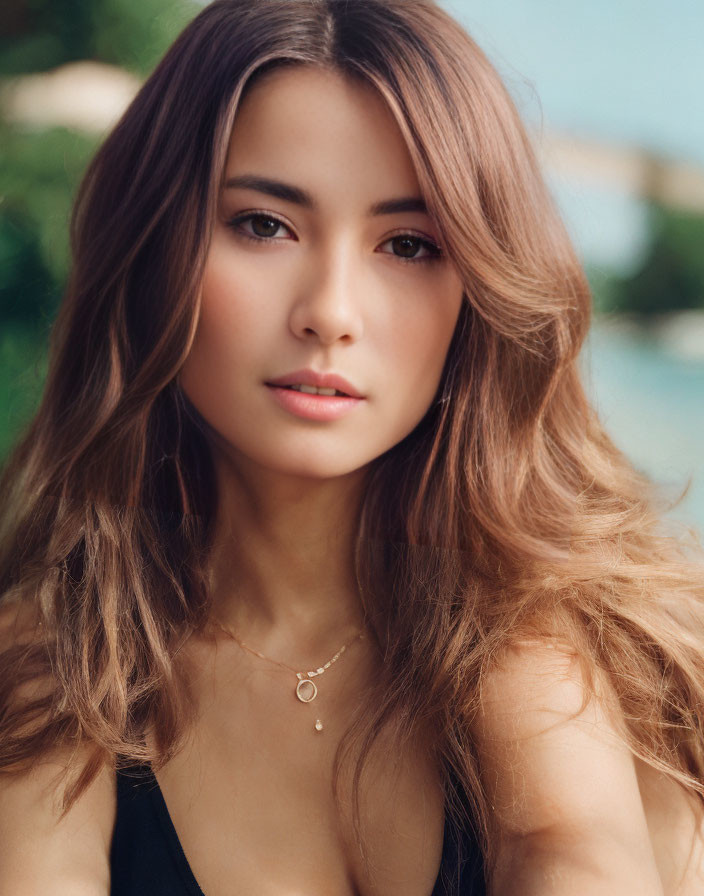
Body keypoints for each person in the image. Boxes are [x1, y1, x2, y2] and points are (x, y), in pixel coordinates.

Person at [0, 0, 703, 893]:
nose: (330, 312)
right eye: (264, 224)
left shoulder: (540, 632)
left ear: (476, 297)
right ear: (154, 251)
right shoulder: (56, 655)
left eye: (408, 245)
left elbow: (577, 852)